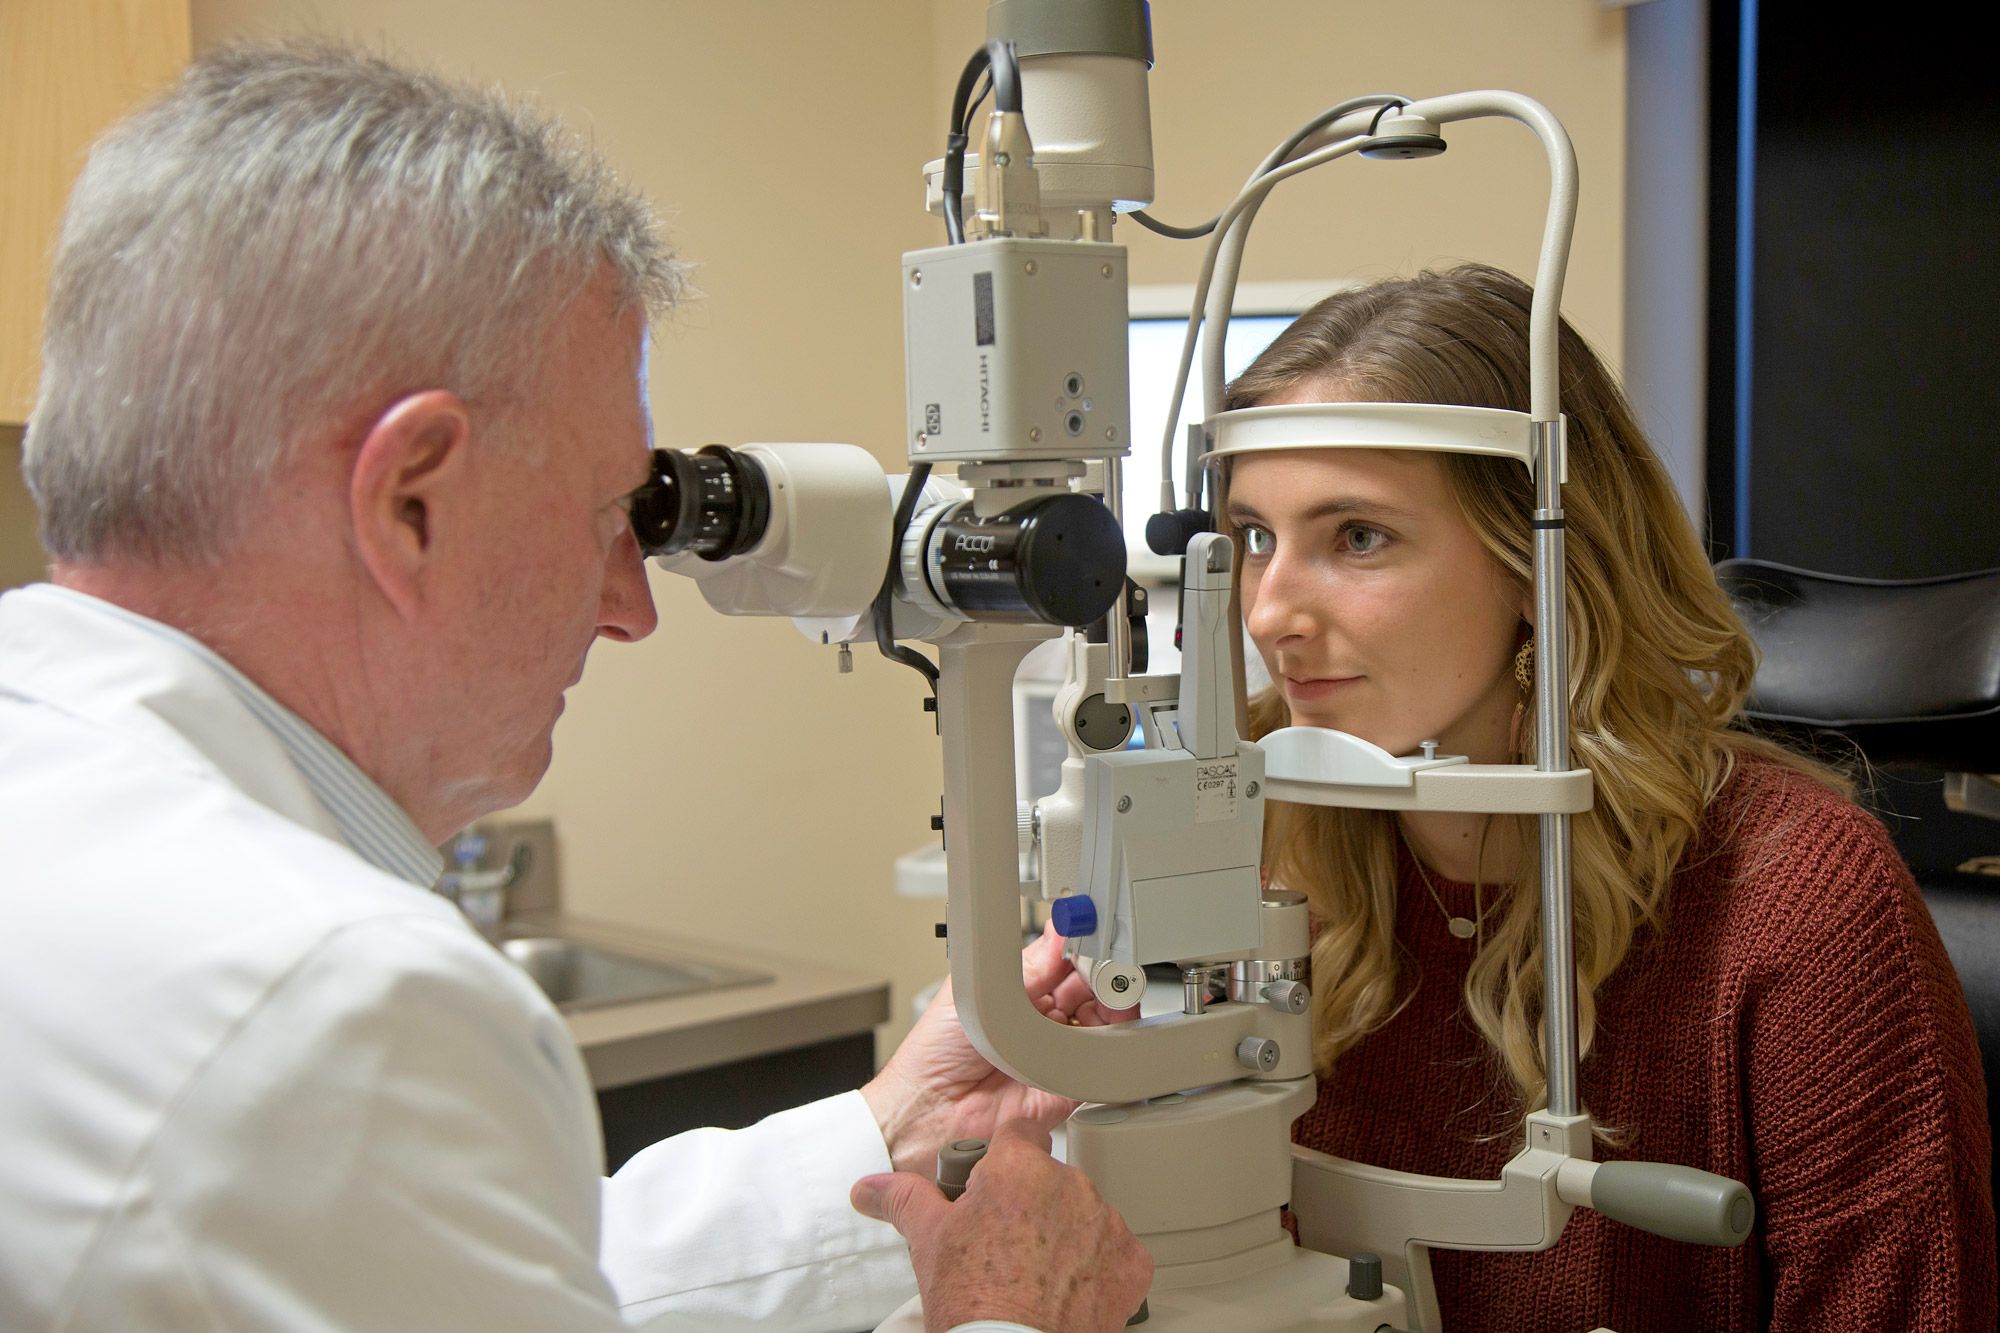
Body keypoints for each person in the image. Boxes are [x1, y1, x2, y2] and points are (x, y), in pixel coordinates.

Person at [0, 41, 1150, 1332]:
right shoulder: (323, 1004)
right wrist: (1008, 1314)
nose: (630, 606)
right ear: (409, 500)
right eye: (609, 515)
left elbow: (451, 1282)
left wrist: (892, 1129)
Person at [1221, 264, 1996, 1330]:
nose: (1268, 613)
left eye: (1355, 535)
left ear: (1536, 565)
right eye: (1254, 536)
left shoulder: (1794, 910)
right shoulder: (1251, 856)